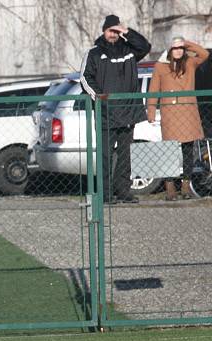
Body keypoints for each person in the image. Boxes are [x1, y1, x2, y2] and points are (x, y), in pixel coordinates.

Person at [80, 14, 151, 204]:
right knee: (105, 156)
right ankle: (105, 194)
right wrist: (99, 97)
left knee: (125, 156)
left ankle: (124, 192)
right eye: (110, 30)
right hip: (106, 113)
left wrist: (127, 31)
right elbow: (85, 78)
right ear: (104, 31)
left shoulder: (129, 50)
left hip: (128, 113)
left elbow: (145, 46)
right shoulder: (94, 53)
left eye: (116, 31)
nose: (113, 34)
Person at [147, 37, 210, 200]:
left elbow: (203, 54)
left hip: (188, 113)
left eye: (181, 48)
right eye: (175, 48)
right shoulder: (160, 66)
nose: (178, 51)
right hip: (170, 114)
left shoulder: (189, 63)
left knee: (188, 151)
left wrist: (186, 43)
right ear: (169, 50)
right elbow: (153, 89)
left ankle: (185, 187)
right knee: (169, 152)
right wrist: (151, 110)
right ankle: (170, 188)